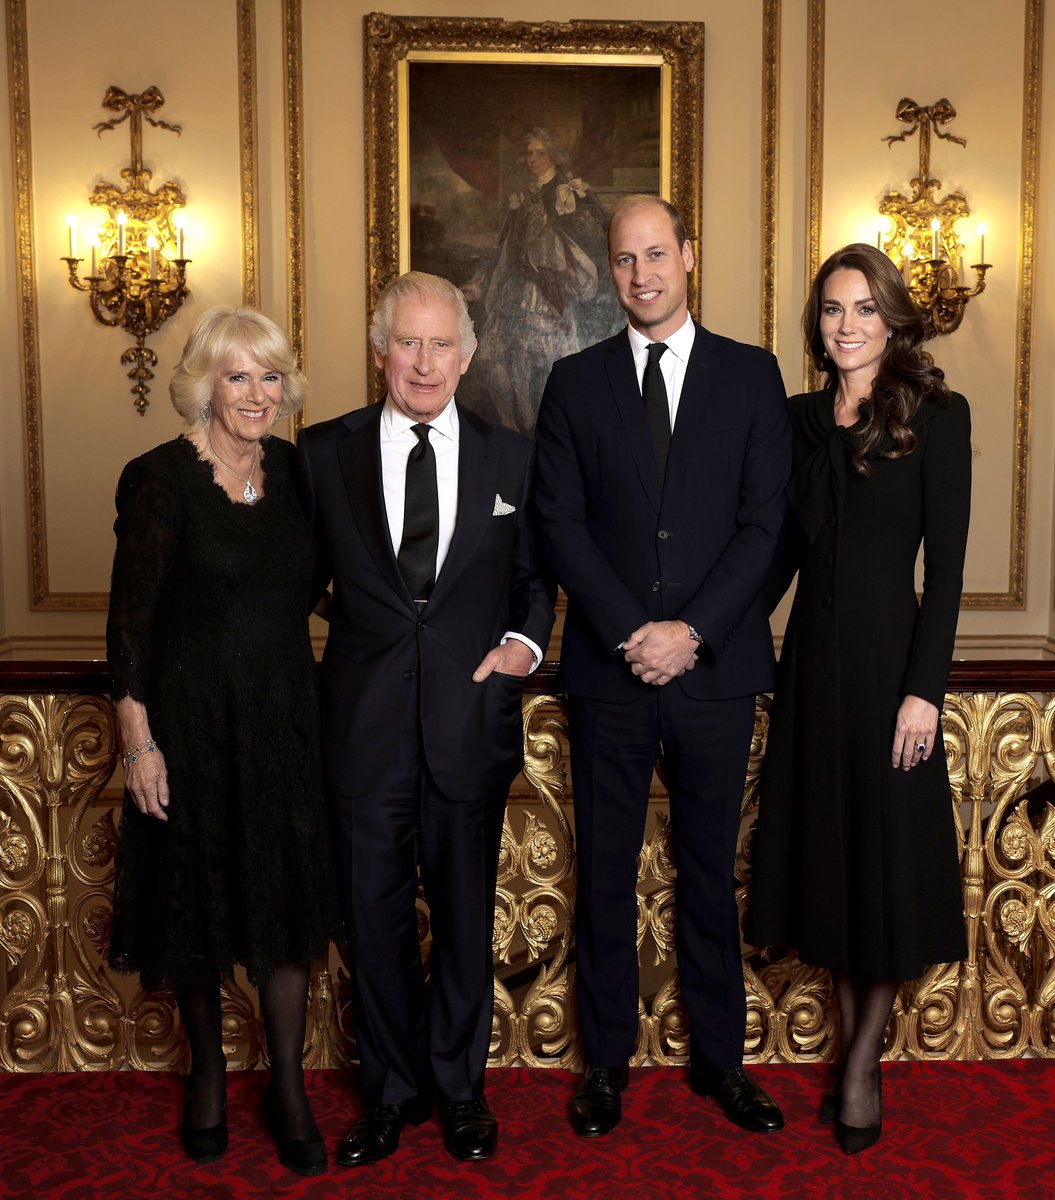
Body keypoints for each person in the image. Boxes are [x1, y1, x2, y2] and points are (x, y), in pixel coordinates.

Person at [534, 196, 792, 1139]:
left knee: (706, 874)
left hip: (715, 674)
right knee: (601, 873)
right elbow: (557, 525)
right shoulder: (573, 382)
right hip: (609, 676)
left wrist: (691, 633)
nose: (641, 274)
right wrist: (631, 632)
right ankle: (604, 1066)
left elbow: (766, 525)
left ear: (689, 253)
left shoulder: (752, 376)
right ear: (609, 270)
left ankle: (719, 1063)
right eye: (622, 259)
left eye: (656, 254)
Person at [295, 271, 555, 1167]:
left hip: (465, 727)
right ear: (379, 351)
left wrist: (519, 647)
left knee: (462, 921)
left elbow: (532, 579)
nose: (424, 361)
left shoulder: (509, 458)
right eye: (407, 342)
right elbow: (291, 578)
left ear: (468, 355)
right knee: (373, 929)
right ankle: (390, 1095)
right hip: (361, 731)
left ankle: (459, 1091)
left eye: (442, 344)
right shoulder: (320, 452)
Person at [746, 244, 971, 1154]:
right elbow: (772, 556)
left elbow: (947, 574)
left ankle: (861, 1064)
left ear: (893, 318)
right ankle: (854, 1051)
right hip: (811, 674)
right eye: (833, 310)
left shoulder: (937, 417)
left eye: (864, 310)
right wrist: (701, 635)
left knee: (880, 866)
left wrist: (923, 692)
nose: (846, 326)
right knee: (831, 866)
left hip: (889, 678)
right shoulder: (796, 420)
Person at [106, 306, 340, 1176]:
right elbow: (127, 625)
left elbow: (319, 587)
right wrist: (139, 743)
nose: (256, 394)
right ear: (205, 385)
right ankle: (206, 1075)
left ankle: (287, 1086)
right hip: (191, 728)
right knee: (199, 908)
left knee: (284, 915)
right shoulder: (159, 480)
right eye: (237, 376)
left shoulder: (296, 471)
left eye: (270, 376)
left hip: (285, 723)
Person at [460, 126, 622, 434]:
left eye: (540, 153)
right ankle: (515, 432)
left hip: (553, 291)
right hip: (515, 290)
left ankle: (554, 430)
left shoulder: (569, 192)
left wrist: (558, 246)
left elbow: (596, 239)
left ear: (555, 157)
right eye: (529, 153)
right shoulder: (522, 198)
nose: (532, 159)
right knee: (498, 361)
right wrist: (480, 283)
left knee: (552, 363)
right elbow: (504, 248)